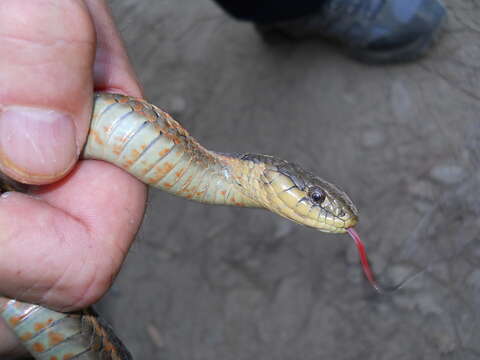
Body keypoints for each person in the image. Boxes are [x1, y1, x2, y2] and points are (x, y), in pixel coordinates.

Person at [0, 0, 446, 357]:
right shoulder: (225, 168)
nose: (320, 207)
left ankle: (291, 9)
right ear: (270, 177)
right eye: (314, 197)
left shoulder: (228, 175)